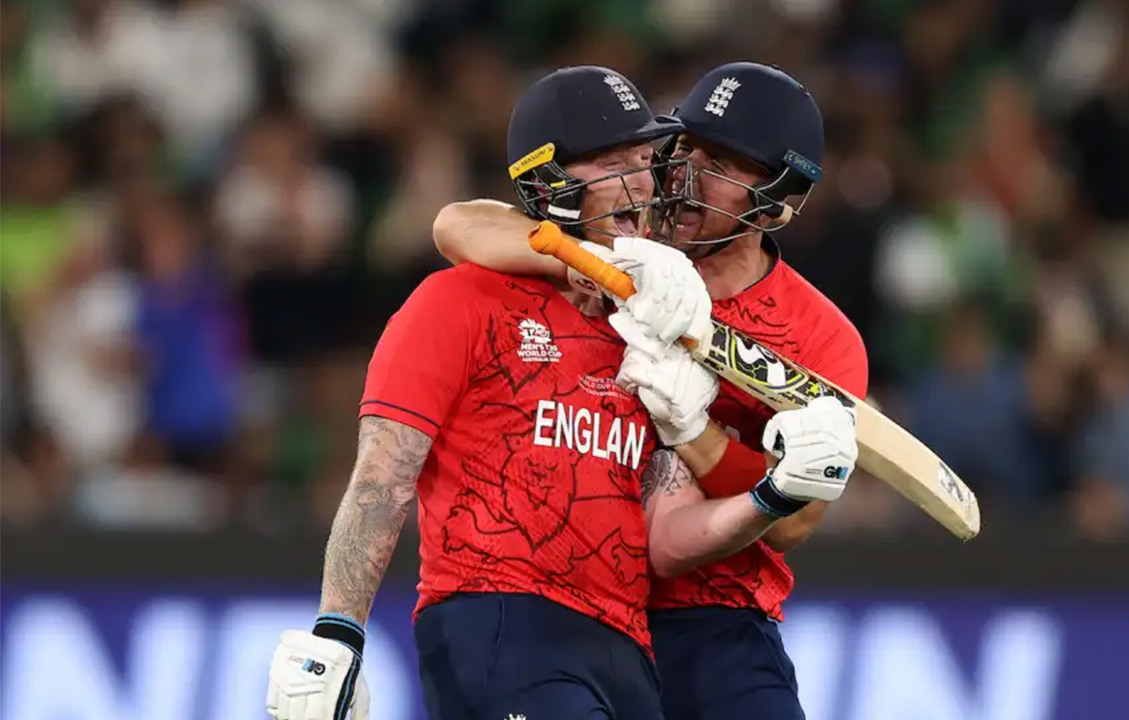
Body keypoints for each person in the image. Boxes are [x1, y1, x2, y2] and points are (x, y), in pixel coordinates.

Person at [433, 61, 869, 720]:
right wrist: (589, 264)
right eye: (685, 146)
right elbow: (458, 224)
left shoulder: (819, 338)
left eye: (722, 162)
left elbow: (795, 522)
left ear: (778, 202)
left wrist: (695, 435)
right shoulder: (624, 241)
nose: (687, 174)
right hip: (573, 608)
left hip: (714, 619)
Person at [264, 65, 702, 720]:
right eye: (615, 162)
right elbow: (383, 477)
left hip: (628, 644)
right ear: (550, 182)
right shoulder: (458, 300)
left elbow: (652, 511)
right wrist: (339, 627)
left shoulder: (646, 324)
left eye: (645, 160)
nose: (642, 181)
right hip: (499, 620)